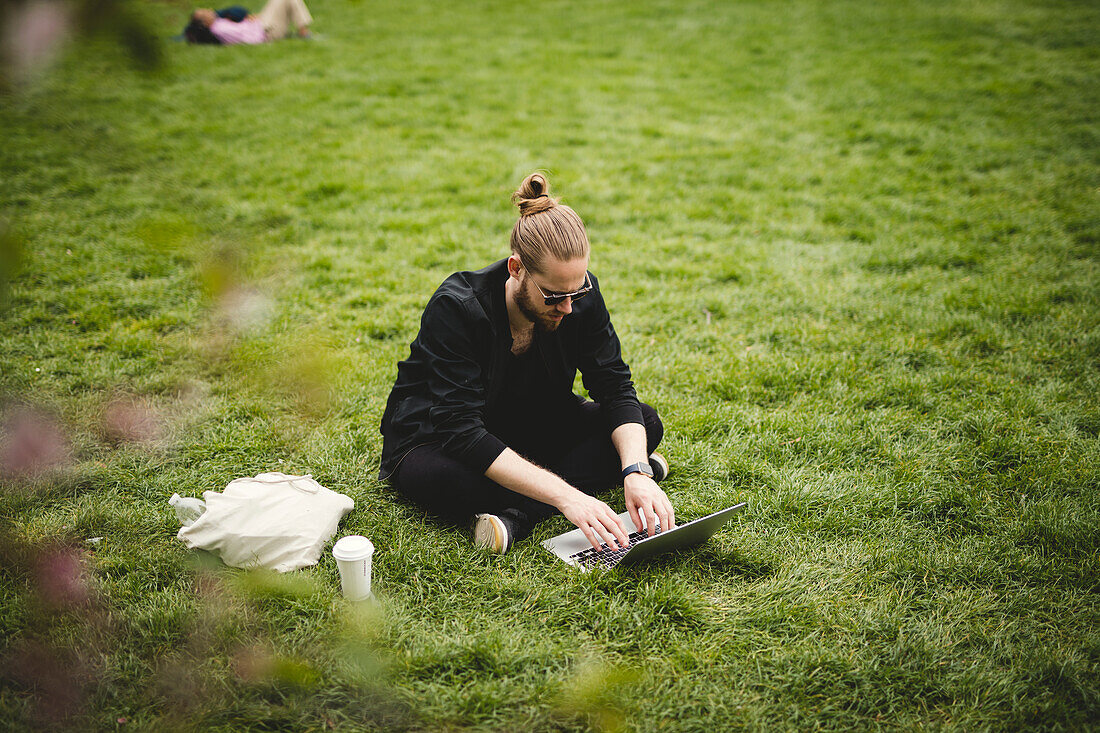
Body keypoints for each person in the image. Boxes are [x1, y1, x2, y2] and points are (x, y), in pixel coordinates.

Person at [378, 172, 676, 554]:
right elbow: (462, 432)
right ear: (516, 268)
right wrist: (570, 497)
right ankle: (572, 486)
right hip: (438, 436)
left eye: (578, 289)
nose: (568, 307)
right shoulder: (456, 308)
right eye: (554, 295)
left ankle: (518, 516)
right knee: (449, 483)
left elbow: (615, 386)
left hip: (529, 422)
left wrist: (636, 471)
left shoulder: (578, 297)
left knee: (644, 422)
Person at [184, 0, 312, 45]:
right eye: (205, 12)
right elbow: (247, 38)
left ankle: (303, 31)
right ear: (205, 23)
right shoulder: (219, 29)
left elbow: (241, 28)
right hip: (266, 33)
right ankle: (304, 32)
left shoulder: (219, 22)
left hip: (260, 24)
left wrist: (251, 19)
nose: (209, 10)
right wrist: (258, 24)